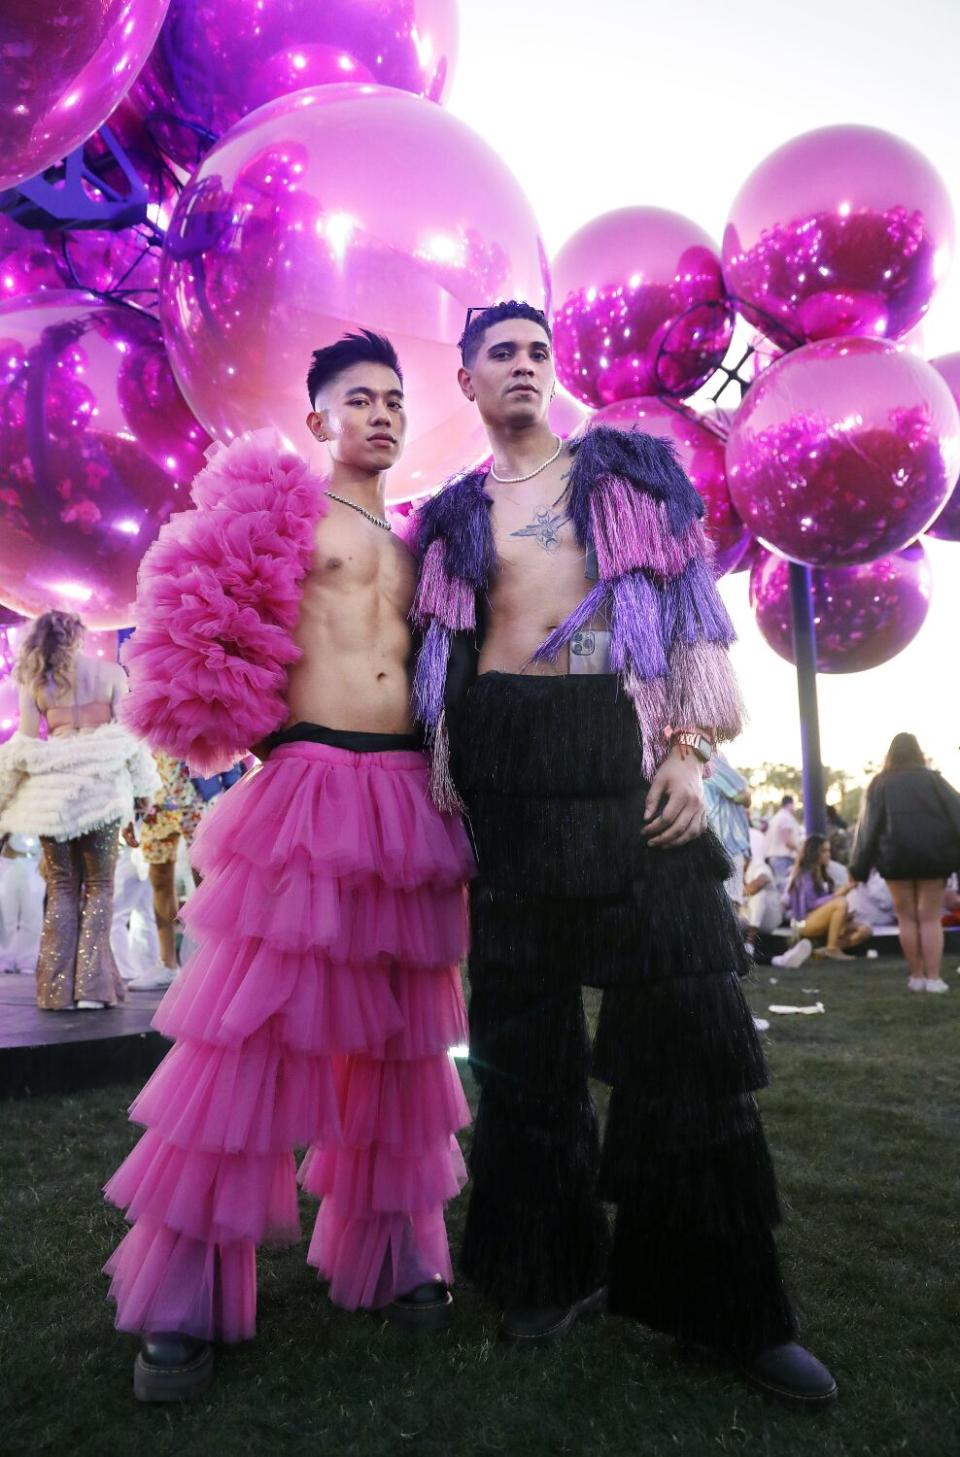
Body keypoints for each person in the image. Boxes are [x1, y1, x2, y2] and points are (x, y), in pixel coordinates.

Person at [409, 300, 836, 1407]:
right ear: (464, 380)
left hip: (629, 759)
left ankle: (727, 1308)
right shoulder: (449, 516)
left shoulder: (627, 471)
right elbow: (439, 672)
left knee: (687, 1035)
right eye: (500, 353)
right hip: (508, 775)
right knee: (523, 1051)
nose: (524, 365)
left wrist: (689, 751)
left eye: (539, 352)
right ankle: (547, 1269)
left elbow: (693, 608)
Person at [102, 331, 473, 1402]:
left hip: (408, 797)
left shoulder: (415, 543)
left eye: (395, 399)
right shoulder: (284, 509)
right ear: (318, 419)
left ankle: (397, 1259)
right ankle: (181, 1301)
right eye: (358, 398)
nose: (381, 414)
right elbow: (197, 641)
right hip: (310, 785)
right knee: (247, 1040)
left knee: (404, 1046)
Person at [0, 612, 158, 1010]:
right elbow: (131, 741)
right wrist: (145, 795)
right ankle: (92, 989)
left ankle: (56, 992)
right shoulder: (111, 674)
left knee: (63, 889)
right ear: (79, 636)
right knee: (101, 887)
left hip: (52, 799)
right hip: (102, 794)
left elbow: (22, 747)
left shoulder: (36, 682)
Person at [850, 733, 960, 993]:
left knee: (906, 918)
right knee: (930, 918)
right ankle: (934, 979)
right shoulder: (935, 780)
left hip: (895, 859)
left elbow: (867, 829)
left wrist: (859, 867)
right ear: (918, 752)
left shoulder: (880, 783)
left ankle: (916, 976)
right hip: (934, 857)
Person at [785, 836, 871, 961]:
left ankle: (822, 949)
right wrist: (838, 895)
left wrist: (844, 914)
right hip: (803, 923)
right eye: (824, 851)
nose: (828, 854)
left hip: (820, 921)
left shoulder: (824, 874)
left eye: (829, 851)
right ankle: (832, 949)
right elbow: (810, 904)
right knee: (840, 903)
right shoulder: (804, 875)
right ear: (813, 853)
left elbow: (827, 905)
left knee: (865, 930)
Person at [703, 750, 752, 905]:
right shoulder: (708, 752)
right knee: (730, 903)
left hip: (711, 839)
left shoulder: (683, 747)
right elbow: (743, 794)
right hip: (727, 841)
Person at [0, 832, 45, 975]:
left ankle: (28, 961)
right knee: (5, 914)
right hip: (8, 860)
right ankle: (4, 959)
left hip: (35, 861)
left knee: (33, 915)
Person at [765, 795, 802, 890]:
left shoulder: (776, 817)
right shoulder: (786, 817)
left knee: (781, 885)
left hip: (774, 857)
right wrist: (800, 851)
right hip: (783, 858)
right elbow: (787, 840)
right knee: (785, 887)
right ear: (790, 804)